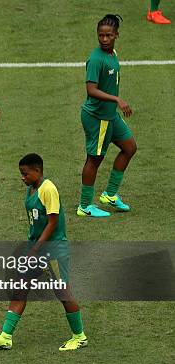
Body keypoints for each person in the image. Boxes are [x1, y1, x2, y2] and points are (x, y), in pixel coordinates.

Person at [0, 153, 87, 351]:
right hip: (37, 249)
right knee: (20, 288)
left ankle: (80, 336)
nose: (23, 178)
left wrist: (36, 249)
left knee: (63, 293)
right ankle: (5, 336)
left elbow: (53, 223)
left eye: (25, 174)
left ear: (37, 171)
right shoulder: (32, 189)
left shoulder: (48, 189)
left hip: (53, 250)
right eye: (21, 174)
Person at [78, 14, 136, 218]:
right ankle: (85, 206)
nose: (104, 39)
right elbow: (91, 89)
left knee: (129, 148)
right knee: (94, 160)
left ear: (116, 35)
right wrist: (117, 100)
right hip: (97, 117)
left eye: (108, 35)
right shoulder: (96, 59)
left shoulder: (112, 54)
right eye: (100, 35)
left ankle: (110, 194)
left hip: (110, 116)